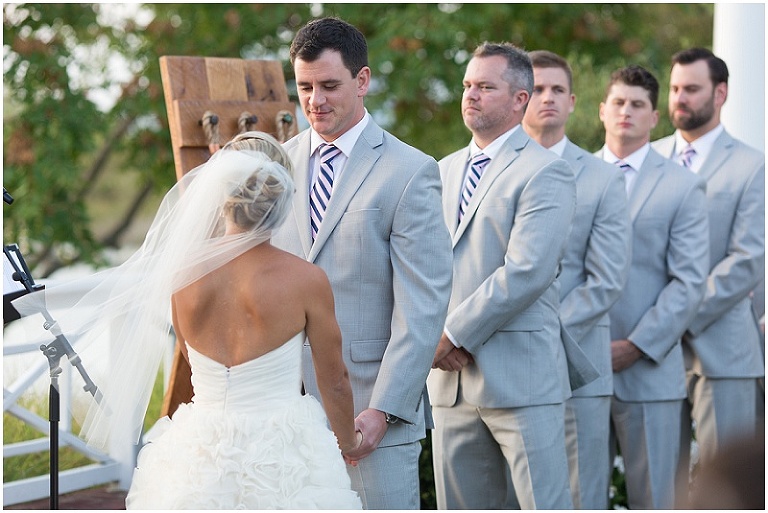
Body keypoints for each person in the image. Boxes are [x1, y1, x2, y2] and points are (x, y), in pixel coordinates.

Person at [13, 133, 363, 509]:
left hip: (198, 451)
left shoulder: (181, 273)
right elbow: (335, 381)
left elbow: (189, 348)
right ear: (281, 199)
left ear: (220, 196)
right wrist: (348, 442)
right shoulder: (304, 279)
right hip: (284, 453)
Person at [271, 17, 453, 510]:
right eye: (304, 87)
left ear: (363, 80)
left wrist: (385, 410)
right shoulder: (275, 167)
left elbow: (423, 306)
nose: (315, 100)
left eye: (329, 85)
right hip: (284, 414)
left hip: (371, 414)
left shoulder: (410, 171)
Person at [426, 42, 579, 510]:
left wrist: (451, 333)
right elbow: (423, 266)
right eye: (468, 85)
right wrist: (433, 335)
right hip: (449, 385)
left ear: (520, 99)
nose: (470, 95)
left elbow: (527, 270)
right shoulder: (439, 171)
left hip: (521, 379)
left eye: (485, 87)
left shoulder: (546, 172)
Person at [595, 65, 709, 509]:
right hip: (575, 370)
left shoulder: (683, 185)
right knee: (573, 498)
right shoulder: (568, 175)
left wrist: (637, 345)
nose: (627, 111)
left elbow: (689, 281)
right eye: (619, 102)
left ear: (654, 117)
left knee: (658, 500)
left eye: (638, 104)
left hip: (649, 370)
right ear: (602, 110)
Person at [651, 48, 765, 491]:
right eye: (675, 89)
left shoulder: (752, 165)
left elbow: (747, 259)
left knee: (729, 485)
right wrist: (653, 329)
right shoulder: (651, 158)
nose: (680, 98)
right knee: (659, 485)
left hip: (722, 351)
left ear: (721, 93)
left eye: (692, 89)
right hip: (652, 354)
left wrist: (675, 316)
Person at [522, 49, 631, 509]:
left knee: (582, 496)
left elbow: (606, 279)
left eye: (558, 90)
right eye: (539, 89)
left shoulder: (604, 179)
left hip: (576, 364)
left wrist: (544, 334)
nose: (548, 98)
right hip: (499, 367)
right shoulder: (489, 172)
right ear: (519, 98)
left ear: (572, 102)